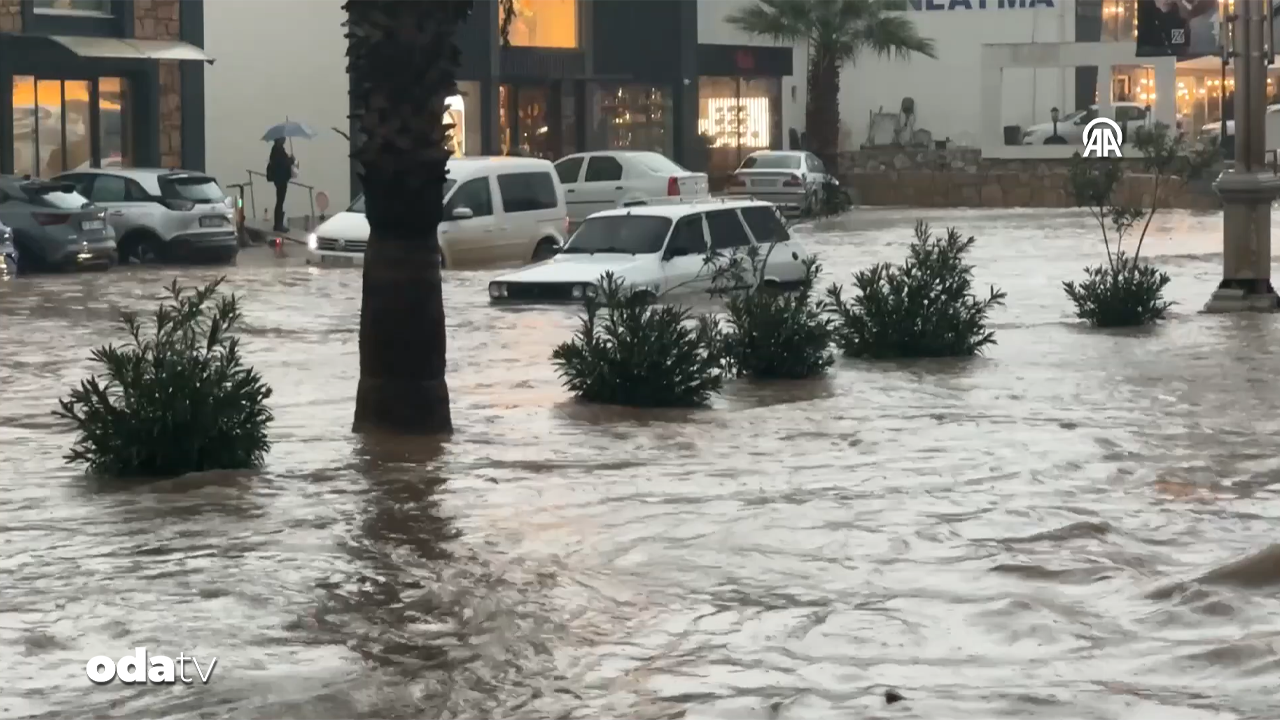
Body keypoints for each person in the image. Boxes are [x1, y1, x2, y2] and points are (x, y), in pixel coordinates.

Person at [266, 137, 294, 232]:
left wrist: (288, 159)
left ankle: (278, 224)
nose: (285, 139)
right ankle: (278, 225)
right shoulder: (278, 150)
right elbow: (282, 163)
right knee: (280, 201)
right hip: (280, 179)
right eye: (283, 138)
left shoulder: (276, 149)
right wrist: (291, 160)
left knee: (280, 201)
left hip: (279, 178)